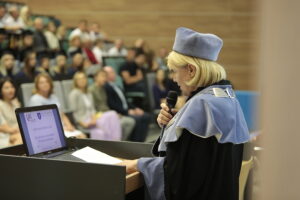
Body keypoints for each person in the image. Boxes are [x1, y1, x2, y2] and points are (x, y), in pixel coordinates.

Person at [119, 27, 250, 200]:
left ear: (191, 70)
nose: (173, 78)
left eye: (174, 70)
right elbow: (202, 156)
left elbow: (180, 177)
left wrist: (137, 164)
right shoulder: (226, 97)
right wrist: (175, 122)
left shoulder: (201, 105)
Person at [28, 73, 85, 138]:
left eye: (47, 82)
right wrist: (62, 129)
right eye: (41, 83)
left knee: (82, 136)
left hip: (63, 127)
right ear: (37, 85)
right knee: (78, 139)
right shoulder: (35, 99)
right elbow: (41, 123)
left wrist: (69, 125)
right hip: (48, 131)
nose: (45, 84)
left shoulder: (53, 97)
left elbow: (62, 115)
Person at [69, 71, 121, 140]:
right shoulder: (74, 93)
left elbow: (92, 109)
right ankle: (113, 142)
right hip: (83, 121)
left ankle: (116, 141)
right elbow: (74, 113)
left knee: (112, 114)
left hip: (92, 119)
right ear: (76, 81)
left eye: (84, 78)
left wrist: (94, 119)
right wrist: (83, 124)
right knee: (104, 127)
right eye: (79, 79)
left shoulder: (88, 92)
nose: (82, 80)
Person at [104, 66, 150, 142]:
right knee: (137, 119)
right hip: (120, 112)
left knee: (146, 116)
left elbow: (125, 101)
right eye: (111, 72)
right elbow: (112, 104)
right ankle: (135, 143)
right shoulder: (106, 87)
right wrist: (127, 111)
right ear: (106, 75)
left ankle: (142, 141)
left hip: (127, 110)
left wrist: (135, 108)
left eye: (113, 72)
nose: (114, 74)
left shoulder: (117, 86)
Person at [89, 69, 135, 140]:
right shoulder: (91, 90)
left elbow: (107, 105)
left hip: (108, 113)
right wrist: (111, 114)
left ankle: (120, 142)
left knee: (130, 121)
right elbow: (93, 108)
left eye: (105, 76)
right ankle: (116, 143)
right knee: (125, 122)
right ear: (95, 77)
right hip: (100, 116)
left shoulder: (103, 89)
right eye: (102, 76)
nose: (104, 78)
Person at [0, 78, 22, 148]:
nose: (10, 90)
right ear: (1, 90)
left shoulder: (16, 103)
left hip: (16, 133)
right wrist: (18, 130)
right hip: (5, 135)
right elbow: (3, 127)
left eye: (12, 87)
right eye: (6, 88)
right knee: (21, 138)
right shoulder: (0, 104)